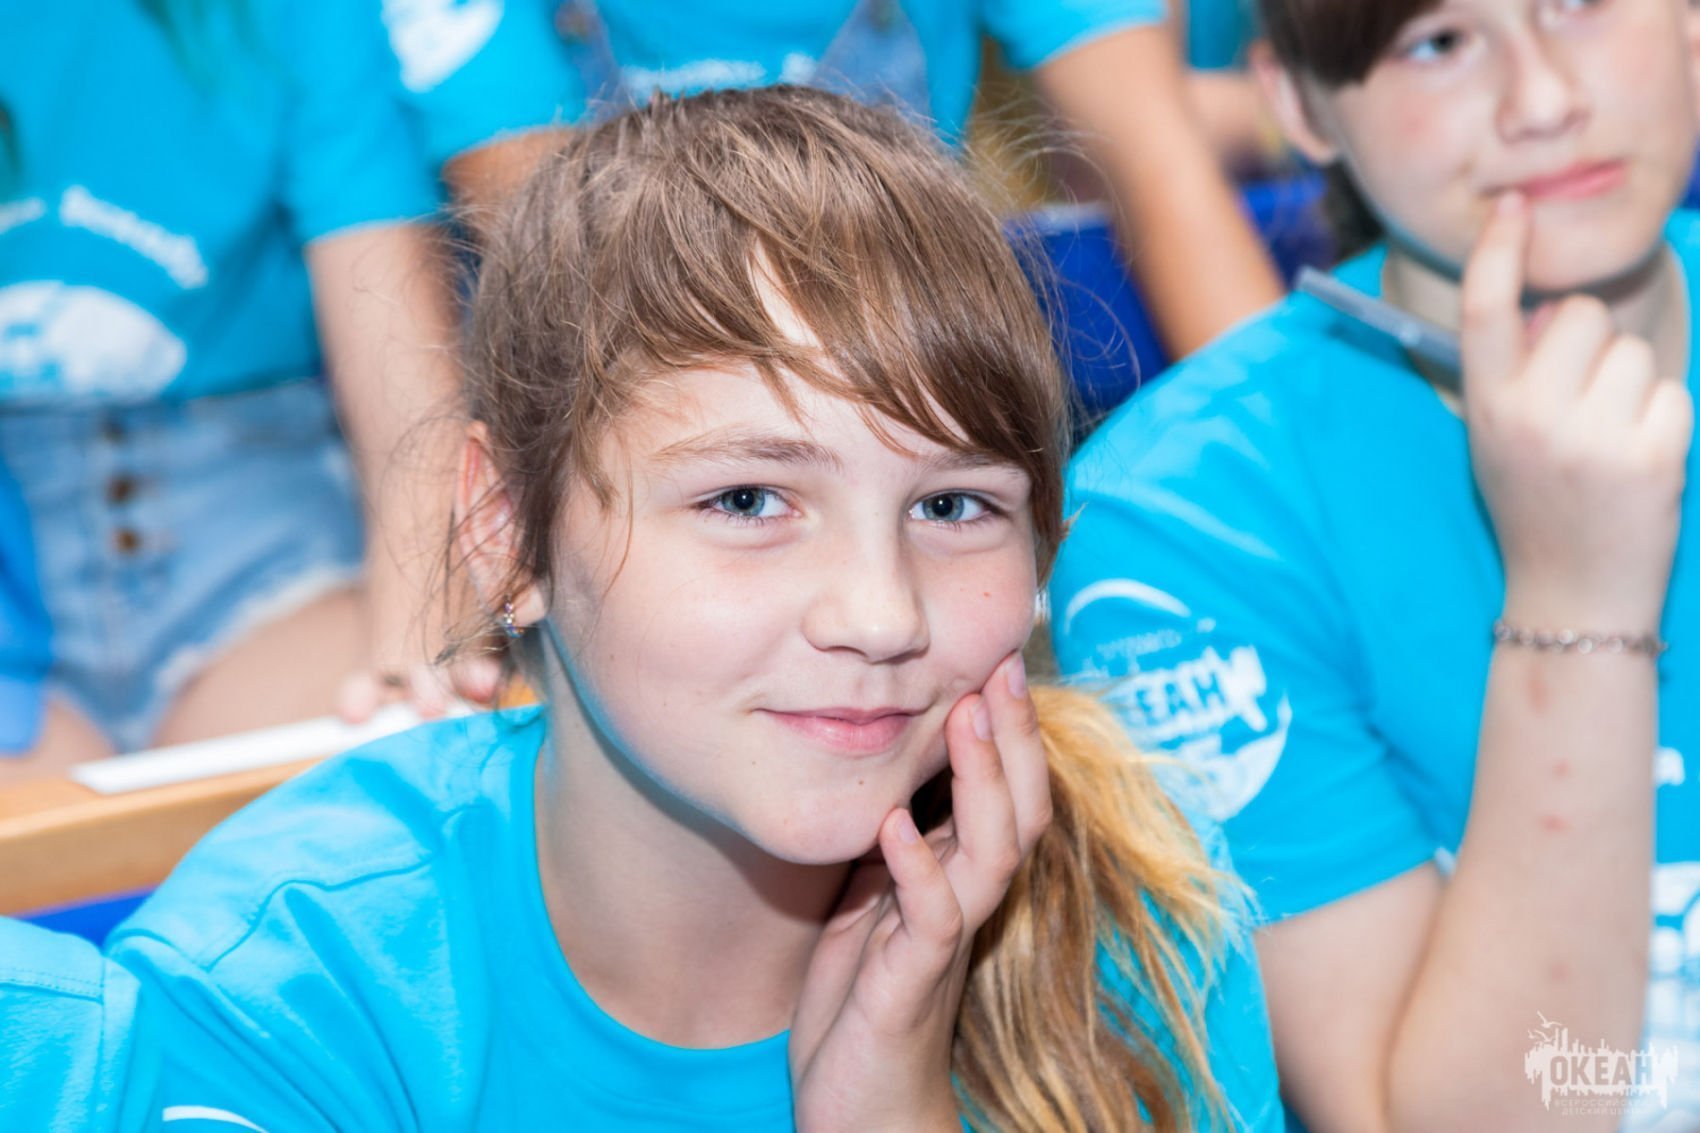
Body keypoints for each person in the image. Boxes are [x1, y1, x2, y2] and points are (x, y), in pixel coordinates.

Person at [97, 87, 1283, 1131]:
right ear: (505, 528)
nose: (879, 615)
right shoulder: (291, 992)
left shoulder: (1131, 923)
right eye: (747, 498)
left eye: (951, 505)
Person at [1049, 0, 1700, 1130]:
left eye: (1581, 5)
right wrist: (1576, 596)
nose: (1544, 100)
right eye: (1437, 43)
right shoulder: (1181, 519)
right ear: (1299, 104)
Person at [0, 0, 474, 773]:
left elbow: (400, 361)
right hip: (15, 558)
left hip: (263, 539)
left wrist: (418, 648)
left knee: (399, 759)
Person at [379, 0, 1286, 358]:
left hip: (911, 349)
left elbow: (1165, 179)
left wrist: (1284, 478)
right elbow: (562, 281)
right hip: (622, 377)